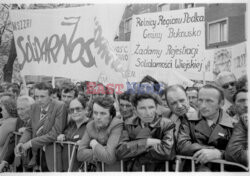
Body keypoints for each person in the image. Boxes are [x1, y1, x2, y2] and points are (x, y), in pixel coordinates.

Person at [177, 84, 234, 171]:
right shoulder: (188, 119)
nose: (203, 106)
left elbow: (239, 151)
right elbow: (182, 146)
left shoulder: (234, 124)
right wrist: (214, 151)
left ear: (221, 103)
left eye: (209, 101)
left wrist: (219, 154)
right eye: (200, 100)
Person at [15, 82, 67, 171]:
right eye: (36, 96)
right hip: (36, 153)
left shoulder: (60, 106)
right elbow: (29, 128)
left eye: (42, 96)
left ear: (51, 96)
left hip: (51, 153)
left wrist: (30, 143)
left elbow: (54, 134)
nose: (39, 100)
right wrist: (22, 142)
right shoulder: (35, 106)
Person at [116, 93, 175, 171]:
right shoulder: (128, 124)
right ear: (135, 110)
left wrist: (135, 153)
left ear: (156, 108)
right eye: (142, 108)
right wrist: (146, 142)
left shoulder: (166, 124)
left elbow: (167, 152)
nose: (148, 112)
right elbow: (120, 151)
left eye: (151, 107)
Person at [77, 96, 123, 171]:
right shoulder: (90, 125)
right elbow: (80, 154)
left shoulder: (117, 124)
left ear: (111, 116)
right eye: (95, 113)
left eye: (103, 113)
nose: (98, 117)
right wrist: (102, 151)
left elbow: (110, 158)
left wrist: (94, 144)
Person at [0, 96, 34, 172]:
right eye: (18, 109)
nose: (19, 112)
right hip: (20, 162)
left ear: (31, 108)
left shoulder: (38, 119)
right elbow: (13, 142)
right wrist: (5, 162)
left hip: (34, 163)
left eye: (22, 109)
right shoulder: (19, 120)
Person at [56, 97, 90, 171]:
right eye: (72, 110)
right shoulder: (70, 125)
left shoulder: (91, 125)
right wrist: (62, 137)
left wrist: (86, 143)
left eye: (78, 109)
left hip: (84, 170)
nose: (75, 112)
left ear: (85, 109)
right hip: (67, 169)